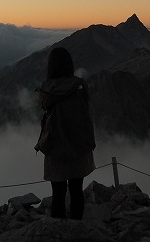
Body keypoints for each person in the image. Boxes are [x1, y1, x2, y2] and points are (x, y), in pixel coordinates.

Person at [36, 46, 96, 219]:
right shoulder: (79, 86)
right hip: (78, 145)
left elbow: (44, 107)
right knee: (77, 191)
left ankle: (59, 230)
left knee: (58, 194)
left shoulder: (46, 89)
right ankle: (77, 227)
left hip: (55, 147)